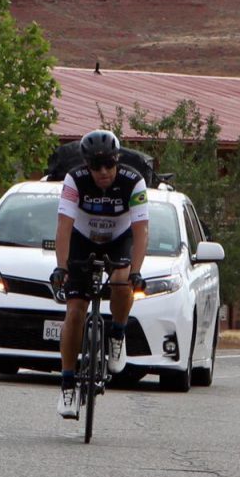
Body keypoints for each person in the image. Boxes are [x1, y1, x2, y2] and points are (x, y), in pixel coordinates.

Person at [49, 129, 149, 419]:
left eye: (109, 165)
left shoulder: (133, 181)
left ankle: (117, 335)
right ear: (86, 165)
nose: (103, 172)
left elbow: (142, 231)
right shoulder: (75, 179)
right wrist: (62, 266)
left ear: (117, 160)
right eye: (96, 166)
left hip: (120, 237)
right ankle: (68, 384)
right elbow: (64, 226)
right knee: (75, 310)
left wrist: (137, 272)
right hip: (83, 238)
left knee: (121, 281)